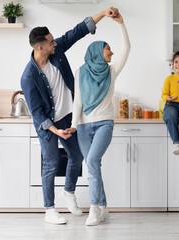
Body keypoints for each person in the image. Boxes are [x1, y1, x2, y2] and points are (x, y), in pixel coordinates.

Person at [20, 7, 119, 225]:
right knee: (51, 162)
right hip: (48, 125)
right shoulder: (28, 77)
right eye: (50, 41)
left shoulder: (56, 52)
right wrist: (55, 130)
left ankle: (69, 192)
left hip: (68, 117)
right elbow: (37, 113)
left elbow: (77, 31)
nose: (55, 43)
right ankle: (50, 210)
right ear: (40, 47)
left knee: (78, 156)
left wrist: (103, 14)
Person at [66, 11, 130, 226]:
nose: (111, 52)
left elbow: (127, 49)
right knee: (94, 166)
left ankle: (94, 208)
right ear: (96, 51)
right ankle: (103, 208)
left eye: (111, 49)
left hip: (104, 123)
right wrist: (74, 125)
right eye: (108, 48)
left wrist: (121, 24)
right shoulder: (80, 72)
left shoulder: (111, 72)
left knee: (92, 162)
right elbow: (78, 102)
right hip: (84, 126)